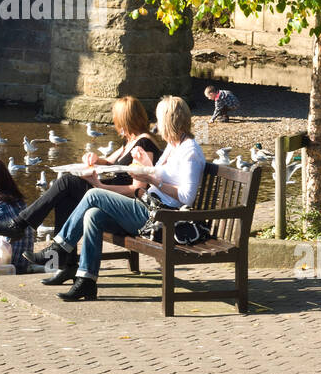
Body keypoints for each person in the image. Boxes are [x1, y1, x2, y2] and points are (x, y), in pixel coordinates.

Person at [28, 96, 205, 301]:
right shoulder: (174, 146)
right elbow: (158, 174)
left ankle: (59, 247)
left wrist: (152, 180)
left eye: (159, 119)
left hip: (162, 217)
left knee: (93, 194)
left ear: (169, 120)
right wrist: (145, 165)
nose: (156, 125)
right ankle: (86, 280)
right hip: (149, 207)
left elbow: (186, 197)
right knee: (93, 215)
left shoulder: (190, 151)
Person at [7, 96, 161, 286]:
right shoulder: (129, 141)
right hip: (112, 197)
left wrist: (100, 186)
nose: (114, 121)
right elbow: (111, 162)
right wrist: (95, 158)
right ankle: (66, 265)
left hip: (123, 205)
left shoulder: (143, 144)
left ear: (125, 118)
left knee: (67, 183)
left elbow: (138, 190)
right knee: (66, 197)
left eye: (116, 117)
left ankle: (22, 225)